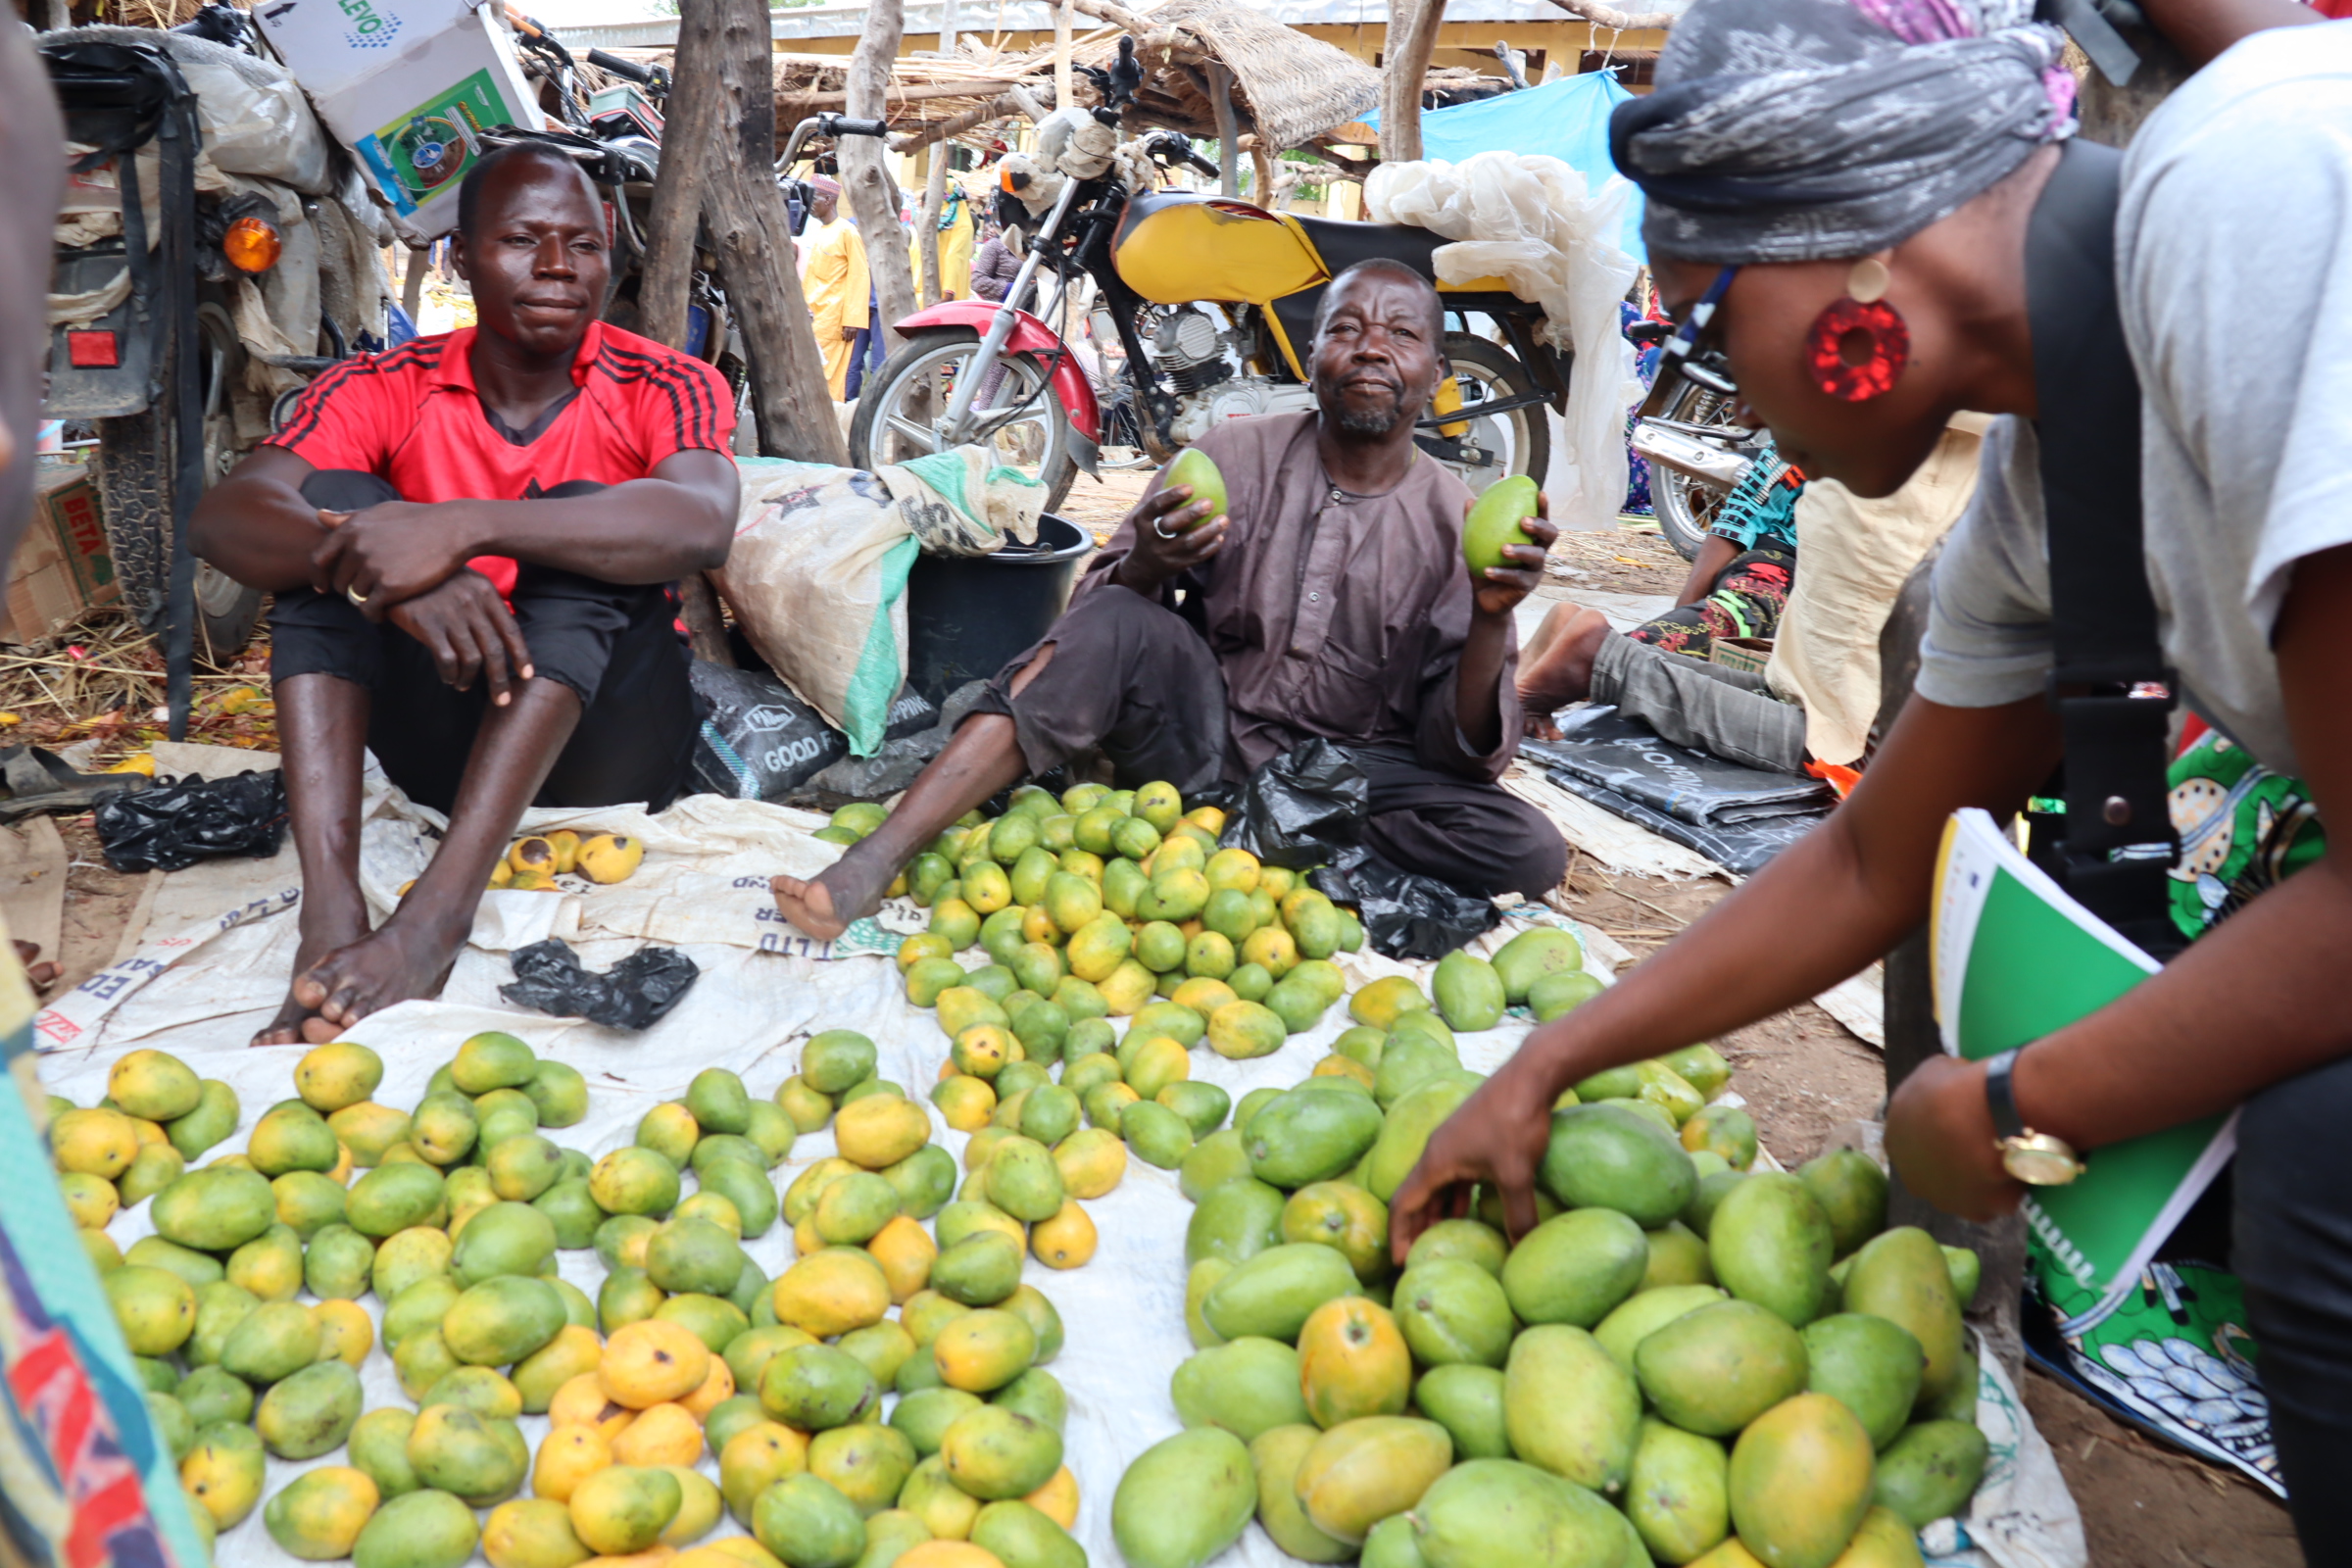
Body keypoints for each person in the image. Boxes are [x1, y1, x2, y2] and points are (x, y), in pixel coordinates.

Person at [1387, 0, 2352, 1545]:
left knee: (2320, 1167)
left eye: (1695, 333)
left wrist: (2023, 1101)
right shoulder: (2052, 488)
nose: (1705, 404)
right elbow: (1860, 858)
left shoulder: (2259, 192)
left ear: (1847, 257)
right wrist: (1544, 1066)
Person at [772, 259, 1569, 939]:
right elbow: (1091, 622)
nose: (1371, 348)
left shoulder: (1458, 521)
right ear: (1313, 355)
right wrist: (1150, 564)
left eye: (1402, 334)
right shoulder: (1231, 456)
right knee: (1120, 617)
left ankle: (1255, 836)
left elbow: (1463, 756)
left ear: (1436, 372)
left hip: (1354, 774)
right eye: (1345, 328)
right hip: (1205, 734)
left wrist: (1494, 618)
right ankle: (873, 859)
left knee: (1529, 850)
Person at [189, 142, 739, 1046]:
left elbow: (702, 522)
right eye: (524, 239)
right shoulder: (383, 385)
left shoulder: (663, 381)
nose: (560, 267)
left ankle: (434, 920)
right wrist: (394, 581)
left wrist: (467, 529)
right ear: (461, 256)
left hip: (610, 748)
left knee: (583, 521)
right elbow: (229, 517)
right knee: (337, 516)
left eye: (585, 245)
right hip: (440, 742)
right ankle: (328, 920)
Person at [1521, 418, 1983, 771]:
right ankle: (1603, 659)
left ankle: (1602, 650)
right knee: (1843, 747)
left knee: (1792, 695)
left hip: (1840, 556)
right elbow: (1738, 517)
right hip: (1796, 564)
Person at [799, 176, 871, 400]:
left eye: (815, 198)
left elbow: (860, 276)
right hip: (814, 317)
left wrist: (853, 320)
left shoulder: (847, 232)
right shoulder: (821, 231)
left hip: (834, 322)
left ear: (829, 200)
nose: (810, 203)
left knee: (829, 380)